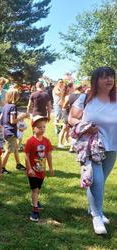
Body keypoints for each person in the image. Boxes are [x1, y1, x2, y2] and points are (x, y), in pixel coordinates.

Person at [68, 66, 117, 235]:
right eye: (104, 77)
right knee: (96, 180)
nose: (109, 80)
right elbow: (71, 118)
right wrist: (84, 126)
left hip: (112, 146)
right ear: (96, 80)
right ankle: (97, 216)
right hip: (91, 146)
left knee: (99, 180)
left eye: (111, 76)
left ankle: (93, 208)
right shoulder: (85, 98)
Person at [25, 115, 54, 222]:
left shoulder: (46, 141)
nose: (42, 129)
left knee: (38, 189)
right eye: (40, 127)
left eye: (44, 127)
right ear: (33, 128)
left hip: (41, 170)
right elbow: (26, 156)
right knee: (35, 190)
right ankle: (35, 210)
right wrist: (29, 169)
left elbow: (49, 155)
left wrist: (50, 167)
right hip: (33, 171)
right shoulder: (30, 141)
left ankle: (35, 201)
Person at [0, 89, 29, 174]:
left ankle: (18, 164)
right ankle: (2, 168)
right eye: (18, 95)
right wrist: (23, 116)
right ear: (14, 97)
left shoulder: (5, 106)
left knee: (15, 148)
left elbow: (1, 118)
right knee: (9, 150)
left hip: (6, 130)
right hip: (11, 132)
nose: (19, 97)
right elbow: (13, 121)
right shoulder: (13, 107)